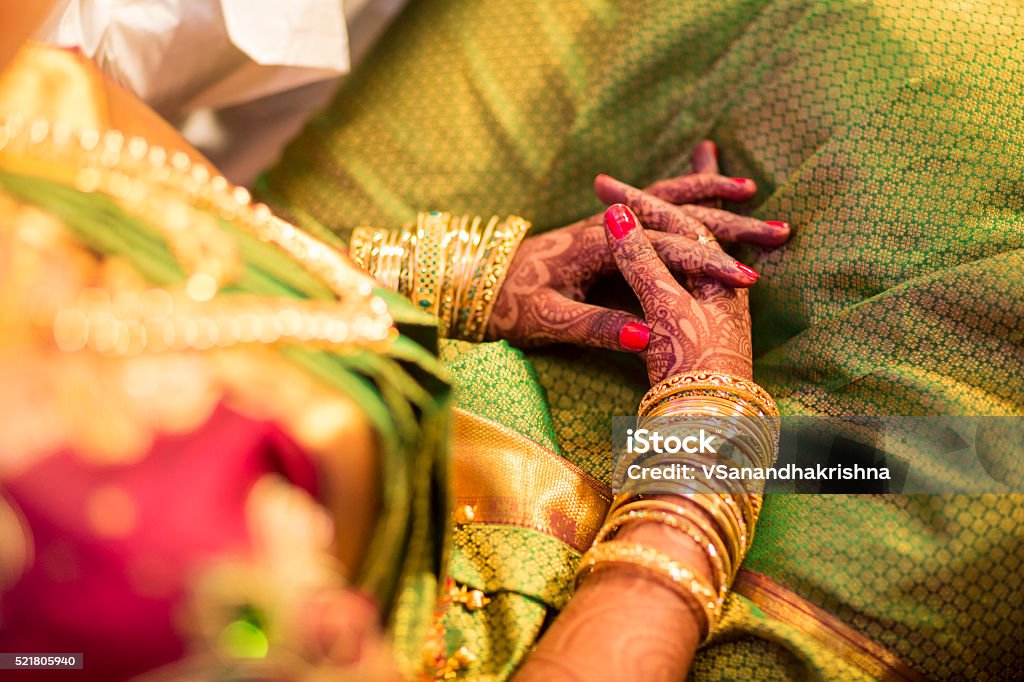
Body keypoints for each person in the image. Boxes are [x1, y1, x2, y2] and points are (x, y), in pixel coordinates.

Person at [0, 8, 791, 681]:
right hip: (605, 602)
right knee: (877, 459)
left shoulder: (31, 92)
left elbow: (211, 250)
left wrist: (460, 276)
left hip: (443, 360)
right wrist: (701, 456)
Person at [259, 1, 1024, 680]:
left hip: (335, 325)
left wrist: (451, 278)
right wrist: (702, 433)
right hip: (687, 590)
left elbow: (168, 229)